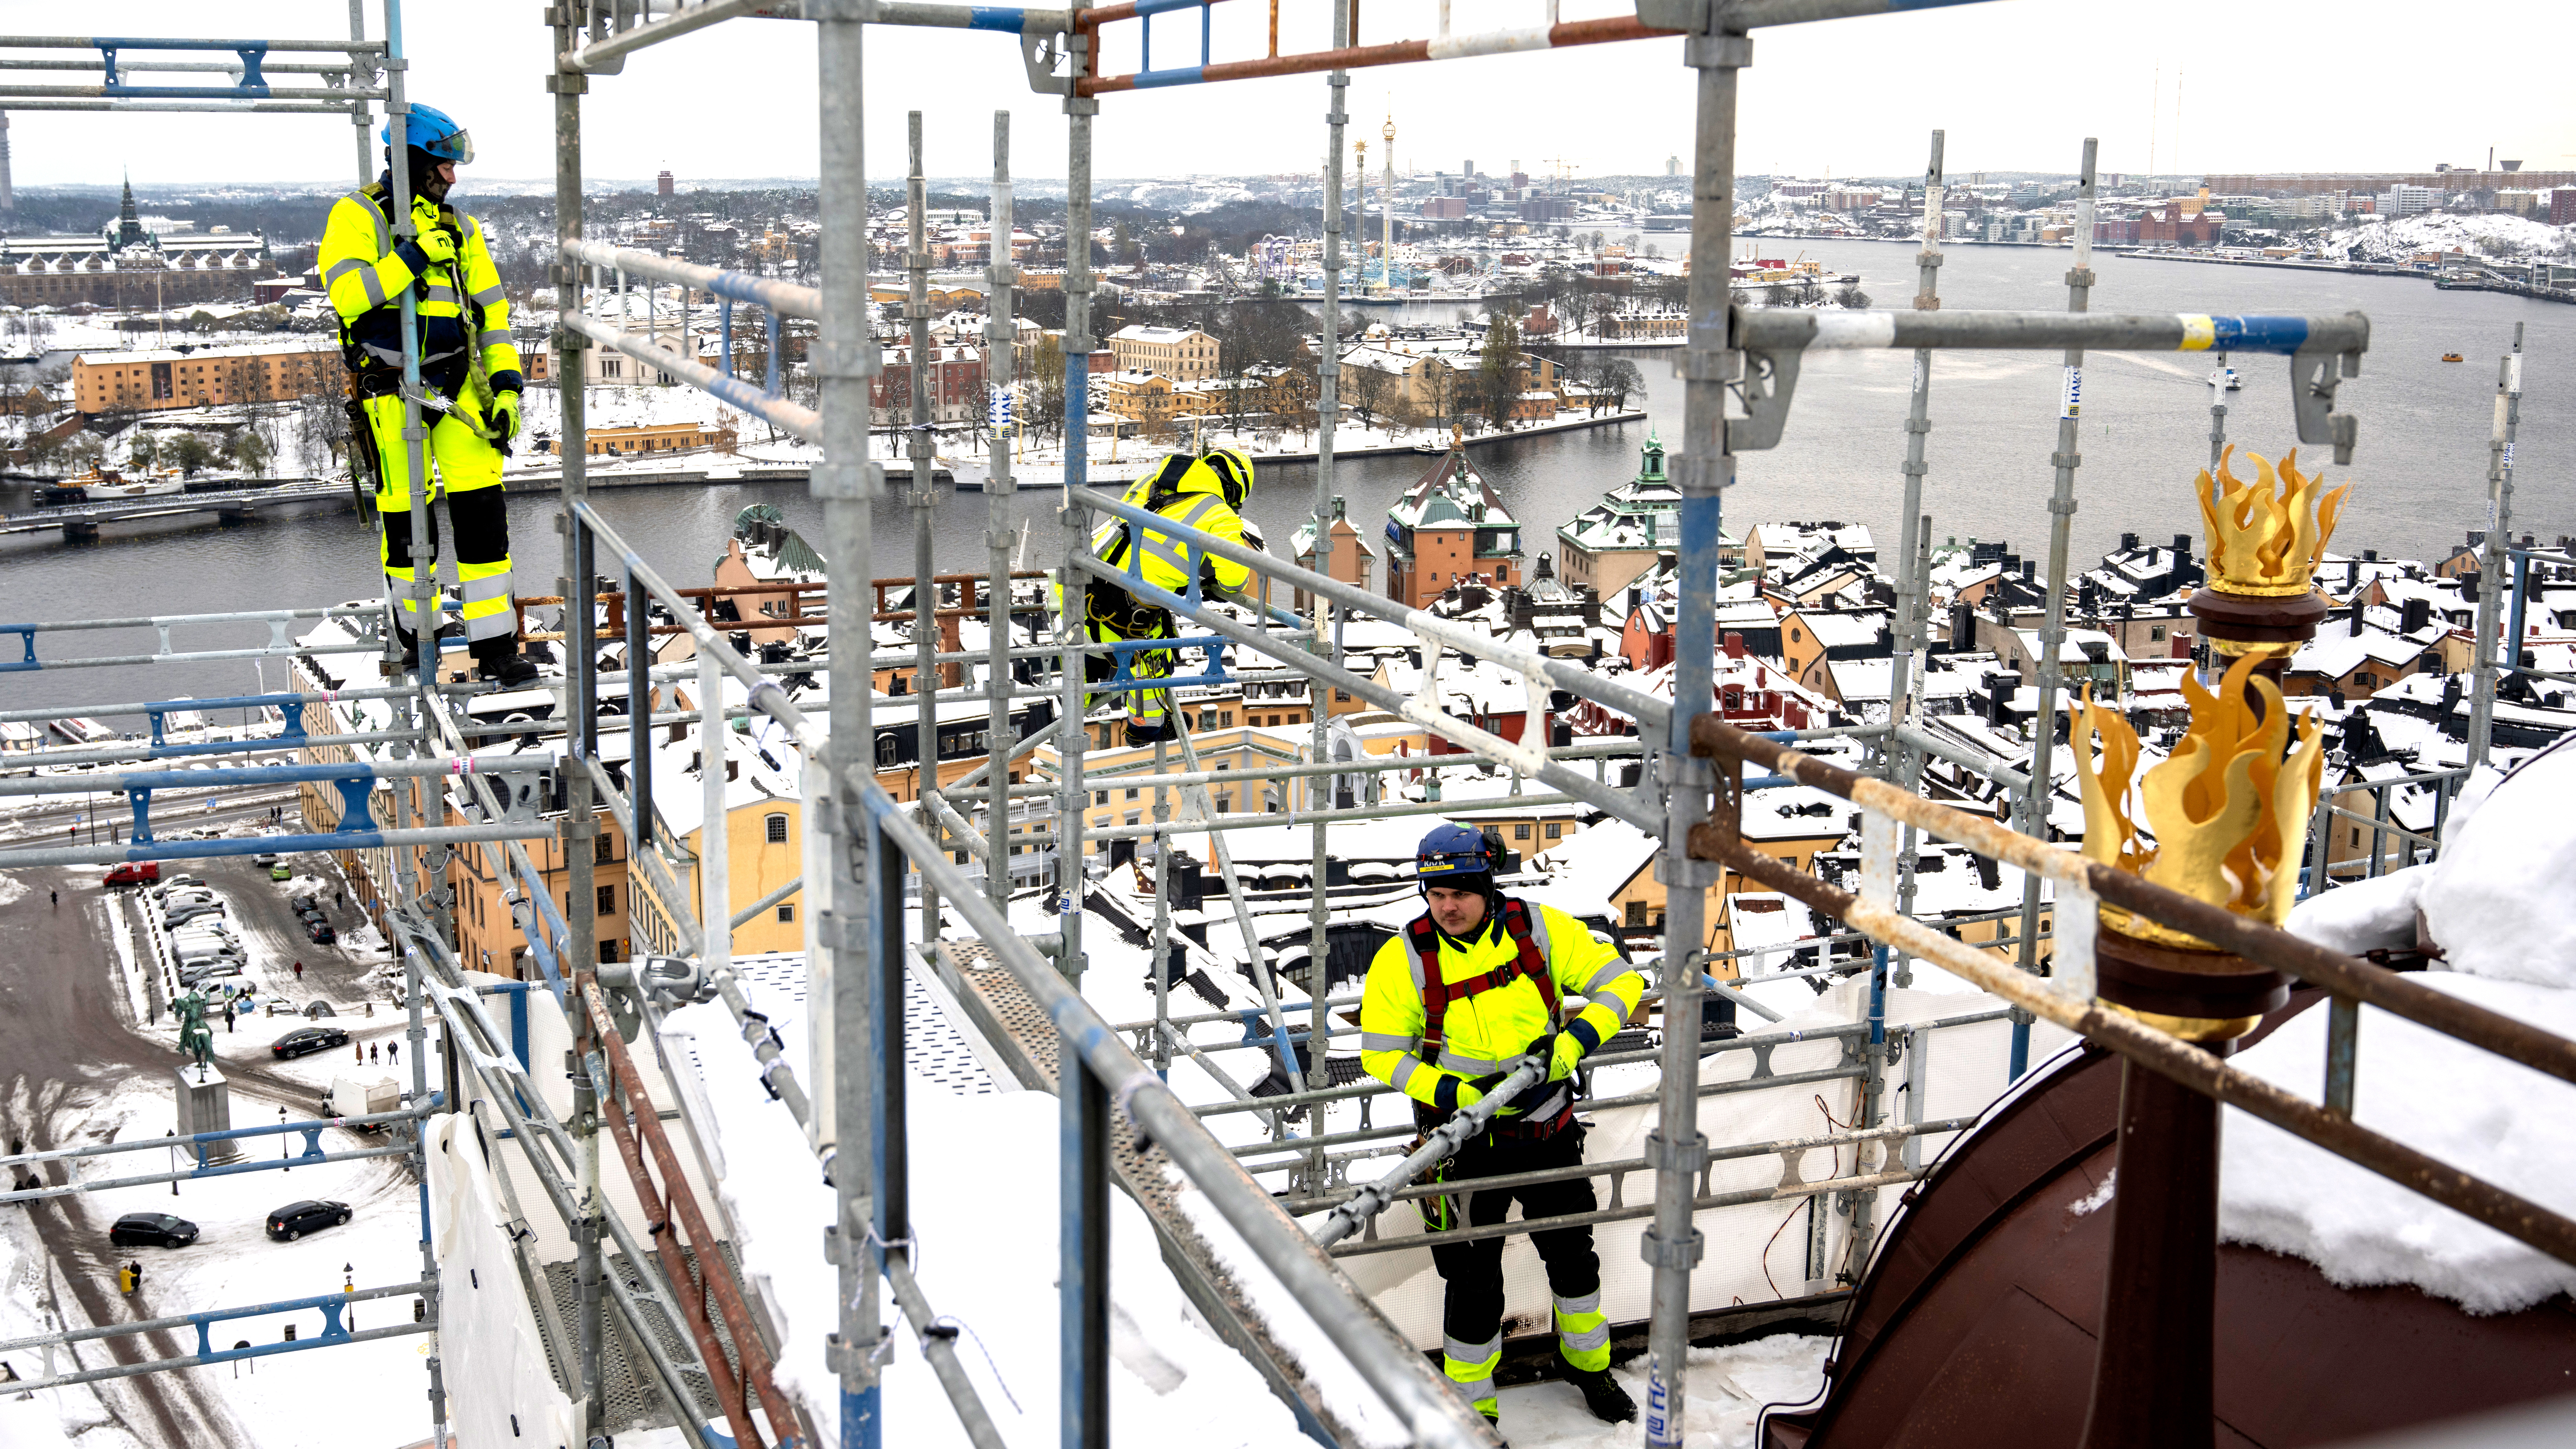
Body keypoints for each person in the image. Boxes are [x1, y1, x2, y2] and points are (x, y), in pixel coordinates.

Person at [1358, 824, 1645, 1434]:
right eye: (1434, 893)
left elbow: (1622, 981)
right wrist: (1459, 1096)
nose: (1446, 905)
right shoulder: (1404, 958)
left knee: (1574, 1260)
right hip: (1462, 1146)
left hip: (1547, 1131)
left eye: (1460, 890)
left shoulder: (1539, 931)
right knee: (1470, 1284)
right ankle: (1475, 1409)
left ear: (1487, 885)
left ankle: (1587, 1365)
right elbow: (1380, 1053)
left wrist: (1567, 1048)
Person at [321, 103, 536, 687]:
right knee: (410, 530)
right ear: (413, 162)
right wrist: (411, 259)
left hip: (459, 395)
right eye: (442, 166)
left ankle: (496, 649)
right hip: (393, 395)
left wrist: (506, 388)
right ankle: (422, 648)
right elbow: (350, 295)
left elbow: (492, 318)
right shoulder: (359, 215)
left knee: (483, 524)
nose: (451, 178)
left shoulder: (462, 229)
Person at [1065, 448, 1257, 746]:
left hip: (1077, 595)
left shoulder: (1148, 483)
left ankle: (1077, 702)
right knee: (1160, 644)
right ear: (1234, 490)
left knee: (1089, 650)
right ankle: (1144, 729)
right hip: (1122, 622)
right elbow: (1235, 580)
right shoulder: (1219, 513)